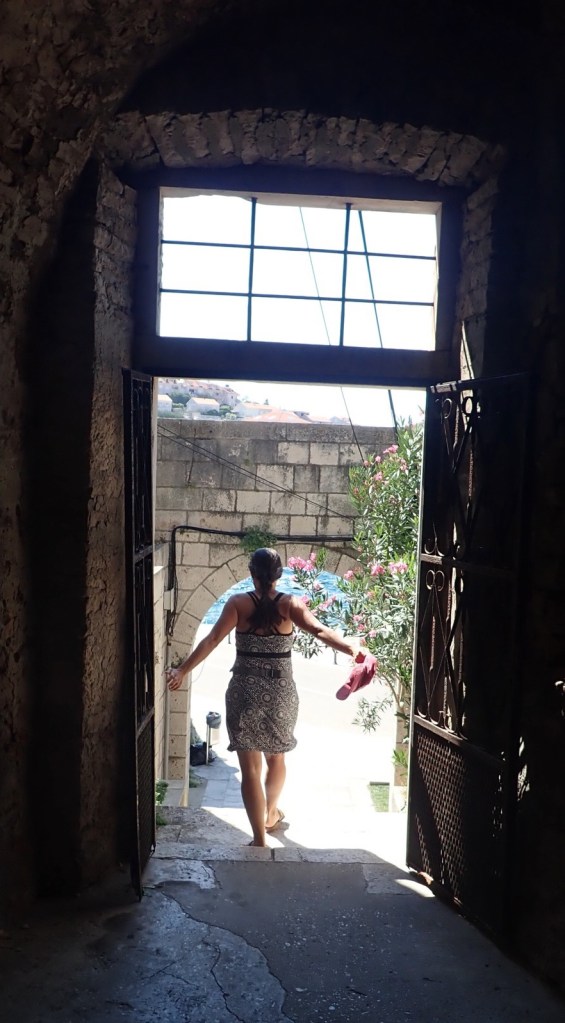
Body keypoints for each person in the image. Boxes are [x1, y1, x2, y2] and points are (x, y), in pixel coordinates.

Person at [166, 547, 365, 847]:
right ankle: (271, 813)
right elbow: (319, 630)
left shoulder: (237, 603)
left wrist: (182, 670)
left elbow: (212, 640)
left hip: (244, 691)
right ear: (279, 575)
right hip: (281, 691)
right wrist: (352, 649)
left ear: (251, 573)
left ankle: (258, 838)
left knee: (250, 769)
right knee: (276, 758)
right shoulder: (290, 604)